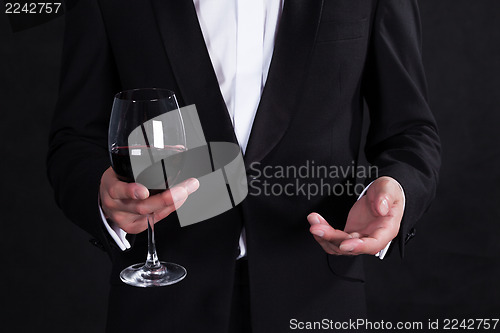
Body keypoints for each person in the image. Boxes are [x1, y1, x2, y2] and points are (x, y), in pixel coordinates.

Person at [47, 0, 440, 332]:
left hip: (319, 301)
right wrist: (102, 195)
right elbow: (75, 141)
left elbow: (410, 131)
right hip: (160, 303)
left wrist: (398, 190)